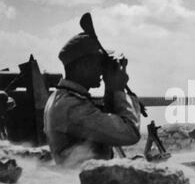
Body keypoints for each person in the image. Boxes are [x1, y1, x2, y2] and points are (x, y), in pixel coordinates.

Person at [44, 32, 141, 167]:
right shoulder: (71, 107)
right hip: (78, 183)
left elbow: (108, 126)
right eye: (100, 63)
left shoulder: (64, 98)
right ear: (82, 65)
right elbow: (129, 133)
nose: (103, 70)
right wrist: (119, 90)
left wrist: (111, 88)